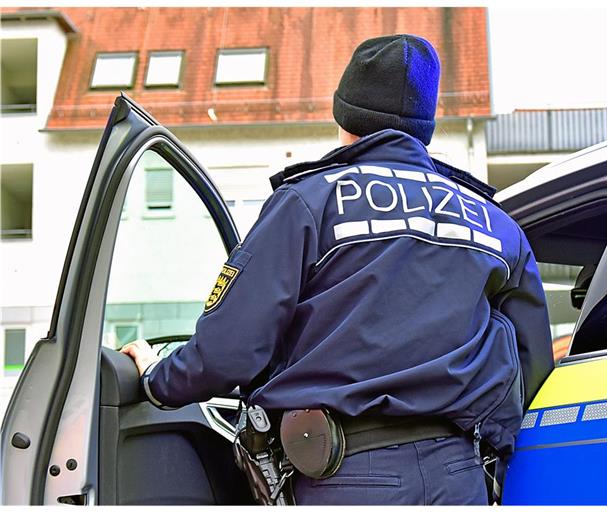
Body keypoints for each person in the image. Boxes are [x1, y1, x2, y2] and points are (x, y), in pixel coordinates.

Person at [121, 34, 554, 505]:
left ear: (344, 117)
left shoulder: (310, 202)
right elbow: (531, 364)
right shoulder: (494, 223)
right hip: (459, 476)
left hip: (347, 473)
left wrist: (157, 380)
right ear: (424, 126)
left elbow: (229, 350)